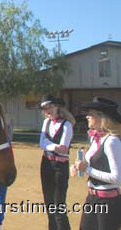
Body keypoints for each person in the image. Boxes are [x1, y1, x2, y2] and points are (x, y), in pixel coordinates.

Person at [71, 97, 121, 230]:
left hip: (108, 201)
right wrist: (76, 166)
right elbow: (87, 164)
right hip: (92, 198)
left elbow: (116, 178)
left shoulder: (112, 141)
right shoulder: (96, 138)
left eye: (90, 114)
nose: (87, 117)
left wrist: (87, 169)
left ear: (102, 117)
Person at [39, 94, 75, 230]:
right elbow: (41, 143)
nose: (47, 110)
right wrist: (54, 146)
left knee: (59, 206)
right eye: (44, 108)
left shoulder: (67, 125)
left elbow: (64, 148)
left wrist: (48, 145)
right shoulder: (46, 123)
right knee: (49, 205)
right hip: (46, 164)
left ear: (57, 107)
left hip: (60, 167)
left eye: (50, 106)